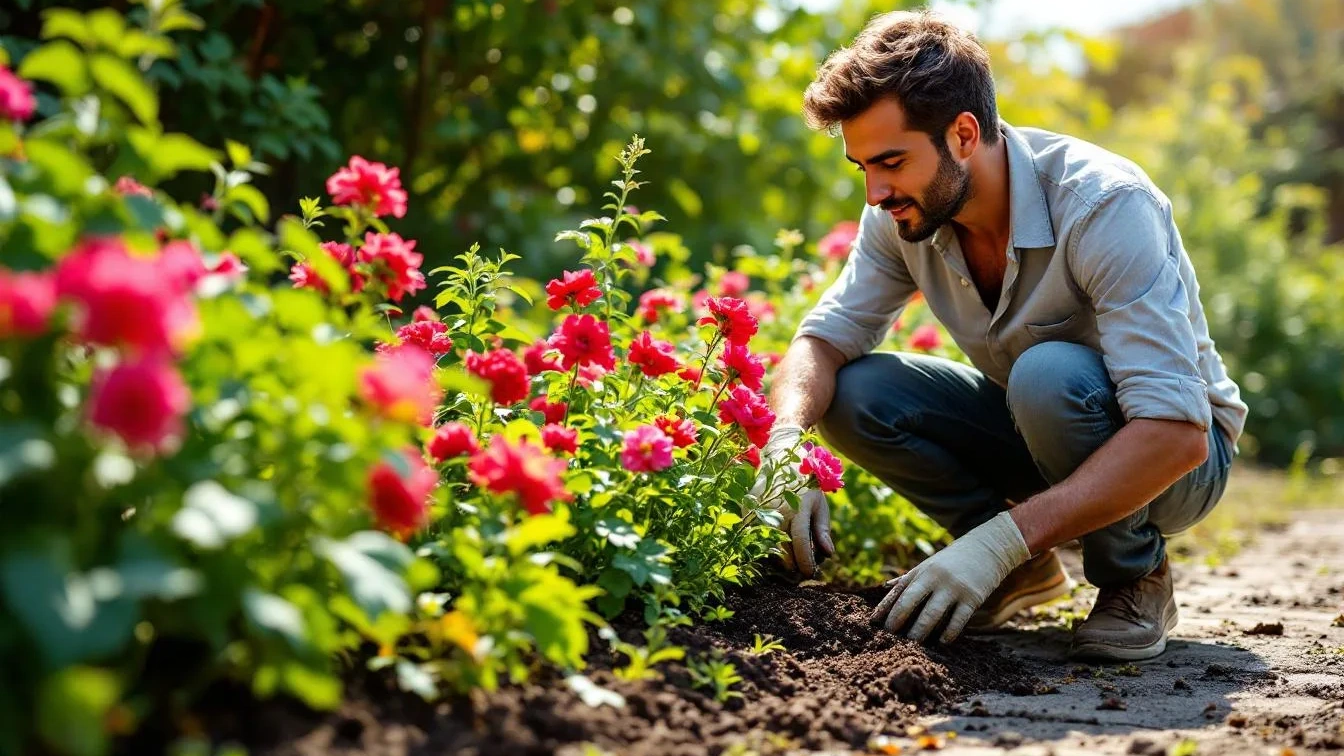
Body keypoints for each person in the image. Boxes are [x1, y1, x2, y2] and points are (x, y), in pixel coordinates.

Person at [750, 10, 1246, 662]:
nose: (874, 192)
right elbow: (821, 340)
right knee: (853, 390)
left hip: (1178, 460)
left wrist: (1003, 536)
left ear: (962, 134)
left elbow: (1176, 434)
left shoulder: (1104, 205)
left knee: (1050, 376)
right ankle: (1019, 575)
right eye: (862, 166)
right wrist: (786, 440)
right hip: (1040, 429)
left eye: (892, 161)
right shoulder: (904, 214)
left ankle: (1134, 576)